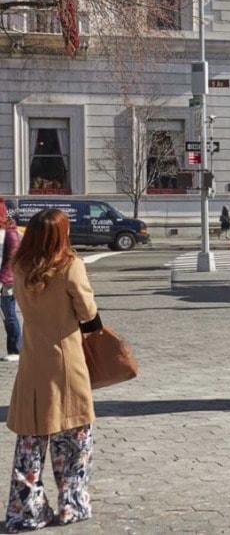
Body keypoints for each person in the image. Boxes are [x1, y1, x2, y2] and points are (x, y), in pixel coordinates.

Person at [5, 207, 101, 531]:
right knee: (74, 439)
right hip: (65, 361)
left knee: (30, 442)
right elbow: (87, 311)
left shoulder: (20, 266)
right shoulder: (70, 265)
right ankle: (72, 504)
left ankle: (26, 510)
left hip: (33, 360)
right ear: (61, 235)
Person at [0, 202, 21, 362]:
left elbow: (9, 260)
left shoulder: (9, 233)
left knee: (9, 314)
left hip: (6, 282)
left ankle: (16, 349)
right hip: (6, 280)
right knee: (8, 314)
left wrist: (2, 280)